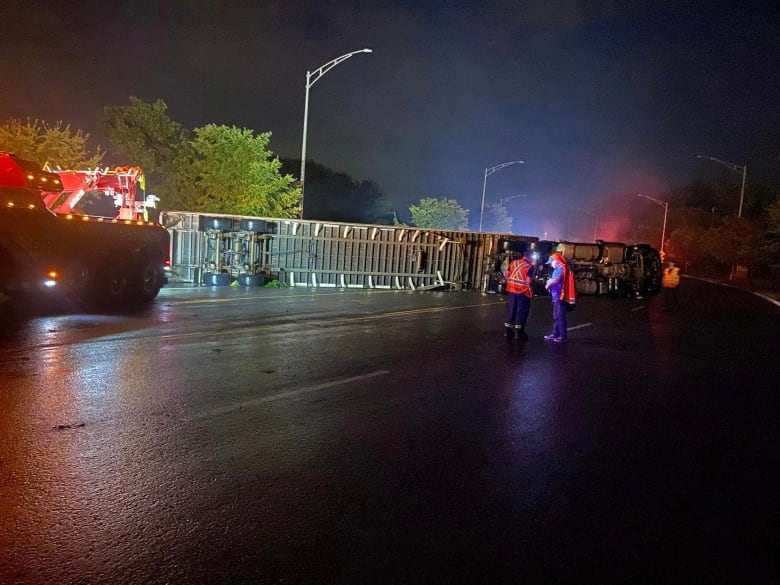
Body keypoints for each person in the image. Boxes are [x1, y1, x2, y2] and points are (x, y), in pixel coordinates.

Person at [503, 247, 534, 339]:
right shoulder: (529, 267)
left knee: (511, 309)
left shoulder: (513, 263)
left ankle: (507, 331)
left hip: (512, 290)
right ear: (529, 257)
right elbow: (528, 281)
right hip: (522, 292)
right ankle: (518, 333)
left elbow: (506, 275)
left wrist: (511, 281)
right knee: (521, 311)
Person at [544, 252, 570, 343]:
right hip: (556, 296)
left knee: (560, 316)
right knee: (556, 316)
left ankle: (562, 336)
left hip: (560, 296)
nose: (551, 265)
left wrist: (548, 285)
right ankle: (555, 333)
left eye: (551, 262)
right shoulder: (557, 269)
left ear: (556, 261)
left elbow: (556, 280)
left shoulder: (561, 268)